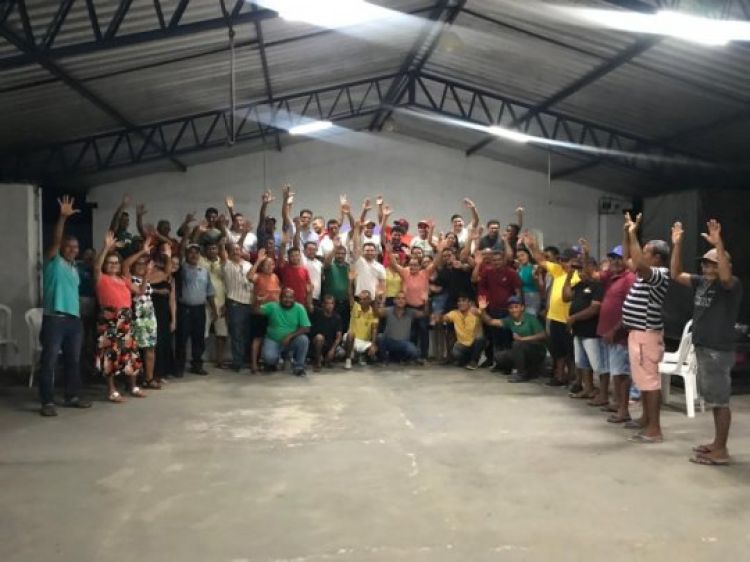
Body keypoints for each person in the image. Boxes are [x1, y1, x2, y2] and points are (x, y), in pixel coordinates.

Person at [671, 219, 742, 465]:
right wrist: (677, 245)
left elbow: (725, 276)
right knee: (713, 400)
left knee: (720, 402)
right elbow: (675, 274)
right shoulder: (701, 282)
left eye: (711, 263)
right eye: (704, 263)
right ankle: (717, 443)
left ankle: (721, 451)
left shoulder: (730, 285)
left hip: (717, 351)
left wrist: (718, 244)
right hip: (704, 349)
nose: (705, 266)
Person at [37, 196, 92, 416]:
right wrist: (62, 217)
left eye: (75, 247)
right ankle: (47, 401)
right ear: (61, 248)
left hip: (73, 320)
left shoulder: (74, 269)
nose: (72, 249)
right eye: (68, 246)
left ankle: (72, 396)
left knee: (73, 360)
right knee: (49, 361)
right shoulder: (53, 262)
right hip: (55, 319)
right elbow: (56, 240)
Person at [621, 212, 671, 444]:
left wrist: (634, 234)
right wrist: (626, 232)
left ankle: (654, 429)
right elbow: (627, 259)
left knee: (650, 383)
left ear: (657, 258)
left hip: (646, 335)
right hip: (638, 333)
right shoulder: (646, 274)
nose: (641, 254)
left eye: (646, 252)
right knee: (642, 380)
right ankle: (645, 419)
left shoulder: (659, 274)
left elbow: (638, 263)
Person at [94, 231, 148, 402]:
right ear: (105, 265)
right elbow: (96, 267)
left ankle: (132, 386)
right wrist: (106, 248)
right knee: (109, 354)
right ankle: (112, 390)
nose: (114, 265)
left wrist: (146, 275)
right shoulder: (101, 278)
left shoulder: (124, 279)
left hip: (126, 319)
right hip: (109, 319)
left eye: (116, 263)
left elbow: (139, 292)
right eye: (110, 263)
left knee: (130, 354)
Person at [525, 233, 579, 387]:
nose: (563, 263)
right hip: (554, 318)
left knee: (570, 352)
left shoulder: (577, 276)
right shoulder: (557, 271)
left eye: (566, 261)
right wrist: (532, 246)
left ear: (574, 261)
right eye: (561, 260)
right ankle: (559, 376)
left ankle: (572, 377)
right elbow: (541, 260)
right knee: (558, 351)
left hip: (568, 319)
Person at [563, 253, 605, 400]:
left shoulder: (598, 285)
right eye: (579, 270)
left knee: (598, 365)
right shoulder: (580, 285)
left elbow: (594, 309)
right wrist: (569, 276)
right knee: (582, 363)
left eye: (582, 268)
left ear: (592, 267)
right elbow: (566, 297)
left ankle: (603, 393)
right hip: (578, 330)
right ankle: (588, 389)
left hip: (591, 331)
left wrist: (574, 317)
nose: (580, 272)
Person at [472, 241, 521, 365]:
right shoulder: (487, 272)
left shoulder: (511, 273)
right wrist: (482, 307)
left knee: (508, 339)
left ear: (504, 260)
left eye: (499, 260)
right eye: (494, 260)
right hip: (493, 310)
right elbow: (477, 283)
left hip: (508, 311)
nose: (496, 262)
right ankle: (498, 363)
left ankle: (509, 365)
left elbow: (518, 292)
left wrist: (518, 310)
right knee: (496, 339)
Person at [479, 295, 546, 382]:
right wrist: (482, 310)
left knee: (517, 344)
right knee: (499, 357)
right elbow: (490, 321)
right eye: (511, 308)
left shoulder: (530, 318)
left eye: (516, 307)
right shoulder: (509, 320)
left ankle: (521, 374)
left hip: (537, 351)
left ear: (522, 308)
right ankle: (528, 371)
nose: (514, 310)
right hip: (520, 349)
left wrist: (523, 339)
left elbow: (542, 335)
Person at [176, 243, 218, 376]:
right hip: (185, 310)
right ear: (186, 255)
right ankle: (179, 367)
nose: (194, 255)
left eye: (196, 252)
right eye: (191, 252)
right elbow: (180, 254)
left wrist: (214, 310)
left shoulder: (204, 271)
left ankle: (197, 365)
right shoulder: (182, 269)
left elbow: (210, 292)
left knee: (199, 339)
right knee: (182, 339)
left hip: (200, 310)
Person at [255, 287, 311, 377]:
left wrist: (289, 336)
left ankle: (299, 367)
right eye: (285, 297)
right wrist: (258, 302)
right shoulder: (272, 306)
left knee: (304, 340)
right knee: (269, 358)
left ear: (294, 298)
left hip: (291, 341)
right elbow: (257, 311)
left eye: (290, 297)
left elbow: (306, 328)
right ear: (280, 298)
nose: (288, 300)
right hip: (273, 339)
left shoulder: (300, 308)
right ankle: (276, 361)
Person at [221, 239, 254, 372]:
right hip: (235, 304)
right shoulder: (226, 264)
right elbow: (222, 250)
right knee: (236, 334)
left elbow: (252, 281)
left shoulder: (248, 264)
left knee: (246, 334)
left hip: (249, 303)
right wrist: (222, 242)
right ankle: (237, 362)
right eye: (233, 250)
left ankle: (245, 360)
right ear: (228, 252)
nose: (236, 252)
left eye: (238, 249)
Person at [131, 252, 161, 389]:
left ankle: (149, 378)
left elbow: (166, 273)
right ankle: (133, 380)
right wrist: (147, 274)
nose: (142, 266)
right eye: (138, 264)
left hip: (149, 317)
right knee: (135, 349)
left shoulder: (147, 278)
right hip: (137, 317)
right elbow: (140, 292)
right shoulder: (129, 278)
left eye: (144, 264)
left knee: (150, 348)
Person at [249, 248, 281, 372]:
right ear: (262, 266)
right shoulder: (258, 276)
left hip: (273, 314)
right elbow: (249, 277)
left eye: (272, 264)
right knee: (258, 338)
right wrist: (258, 260)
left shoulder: (275, 277)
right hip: (260, 312)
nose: (270, 266)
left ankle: (270, 362)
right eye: (267, 264)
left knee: (272, 338)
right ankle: (254, 364)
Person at [150, 243, 176, 383]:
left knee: (164, 342)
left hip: (164, 313)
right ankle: (152, 374)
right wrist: (156, 291)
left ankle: (162, 372)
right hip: (150, 311)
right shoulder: (146, 273)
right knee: (153, 343)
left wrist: (174, 319)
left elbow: (172, 299)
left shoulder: (169, 276)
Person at [375, 291, 423, 364]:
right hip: (390, 342)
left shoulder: (411, 312)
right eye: (398, 298)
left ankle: (400, 359)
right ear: (394, 301)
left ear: (406, 301)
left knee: (414, 352)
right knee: (380, 337)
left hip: (404, 344)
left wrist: (426, 301)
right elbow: (377, 312)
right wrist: (376, 300)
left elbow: (425, 313)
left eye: (403, 298)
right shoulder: (388, 310)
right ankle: (384, 359)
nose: (401, 300)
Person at [443, 295, 485, 369]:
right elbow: (444, 318)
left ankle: (474, 362)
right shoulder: (454, 313)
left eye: (463, 300)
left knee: (480, 338)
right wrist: (439, 318)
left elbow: (486, 318)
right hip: (463, 345)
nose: (460, 303)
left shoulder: (474, 311)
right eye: (459, 301)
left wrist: (482, 311)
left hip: (475, 344)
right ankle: (467, 361)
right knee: (455, 351)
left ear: (469, 303)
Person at [344, 289, 379, 369]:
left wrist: (373, 345)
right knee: (350, 334)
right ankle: (348, 360)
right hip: (352, 339)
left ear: (369, 300)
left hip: (364, 342)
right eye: (360, 299)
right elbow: (350, 294)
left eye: (364, 299)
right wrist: (350, 283)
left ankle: (359, 355)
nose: (361, 301)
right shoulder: (355, 306)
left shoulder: (374, 312)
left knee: (374, 349)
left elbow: (374, 330)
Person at [322, 239, 351, 329]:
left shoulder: (348, 267)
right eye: (338, 253)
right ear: (335, 254)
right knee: (330, 326)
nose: (340, 255)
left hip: (345, 302)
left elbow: (351, 283)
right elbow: (326, 262)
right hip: (331, 303)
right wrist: (334, 248)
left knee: (344, 325)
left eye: (343, 254)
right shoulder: (330, 265)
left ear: (345, 255)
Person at [309, 295, 343, 371]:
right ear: (323, 304)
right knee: (319, 337)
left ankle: (327, 359)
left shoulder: (337, 317)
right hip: (317, 344)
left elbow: (339, 337)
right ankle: (318, 360)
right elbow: (309, 306)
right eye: (327, 303)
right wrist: (310, 293)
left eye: (332, 303)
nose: (330, 306)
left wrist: (332, 350)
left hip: (330, 344)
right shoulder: (317, 312)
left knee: (342, 353)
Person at [516, 247, 542, 316]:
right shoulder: (519, 269)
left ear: (528, 255)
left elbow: (541, 285)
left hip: (533, 296)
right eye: (518, 257)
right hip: (522, 298)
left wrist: (536, 278)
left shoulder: (535, 268)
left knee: (530, 318)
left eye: (522, 255)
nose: (520, 258)